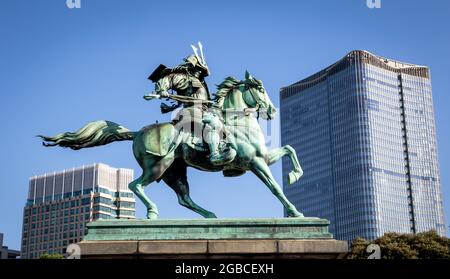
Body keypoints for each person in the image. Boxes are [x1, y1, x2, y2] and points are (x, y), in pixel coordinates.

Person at [147, 43, 236, 166]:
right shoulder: (184, 78)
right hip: (191, 110)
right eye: (198, 69)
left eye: (201, 70)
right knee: (213, 123)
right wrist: (162, 90)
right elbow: (167, 79)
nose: (200, 72)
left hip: (203, 110)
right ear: (192, 68)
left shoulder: (200, 82)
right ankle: (214, 154)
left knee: (225, 123)